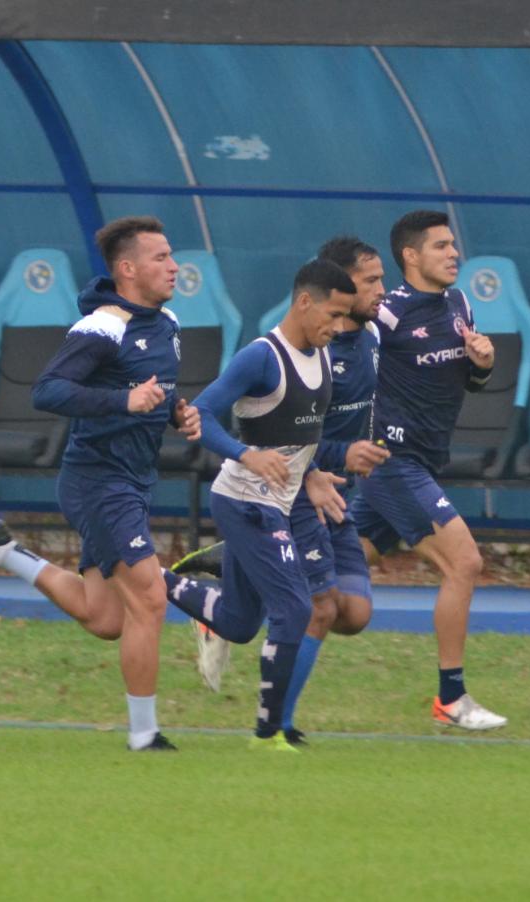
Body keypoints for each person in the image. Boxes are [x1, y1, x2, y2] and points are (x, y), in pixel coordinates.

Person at [0, 216, 199, 752]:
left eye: (172, 255)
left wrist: (177, 413)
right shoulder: (102, 325)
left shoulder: (168, 323)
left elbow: (148, 389)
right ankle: (144, 736)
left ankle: (4, 551)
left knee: (105, 618)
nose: (174, 266)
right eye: (160, 258)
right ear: (127, 269)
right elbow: (48, 391)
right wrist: (124, 402)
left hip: (131, 481)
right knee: (149, 599)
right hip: (98, 483)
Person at [160, 259, 388, 753]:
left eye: (344, 316)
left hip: (278, 504)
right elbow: (200, 413)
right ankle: (268, 734)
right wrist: (246, 453)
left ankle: (155, 582)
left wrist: (326, 463)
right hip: (244, 503)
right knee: (295, 607)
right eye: (331, 314)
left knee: (241, 623)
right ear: (304, 301)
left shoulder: (324, 356)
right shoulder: (261, 357)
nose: (336, 326)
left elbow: (302, 440)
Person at [350, 209, 506, 730]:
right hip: (392, 461)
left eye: (453, 245)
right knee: (465, 564)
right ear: (411, 256)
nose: (454, 253)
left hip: (422, 462)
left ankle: (228, 595)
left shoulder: (459, 303)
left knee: (330, 573)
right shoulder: (386, 314)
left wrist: (481, 365)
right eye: (441, 246)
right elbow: (344, 365)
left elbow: (465, 380)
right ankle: (451, 699)